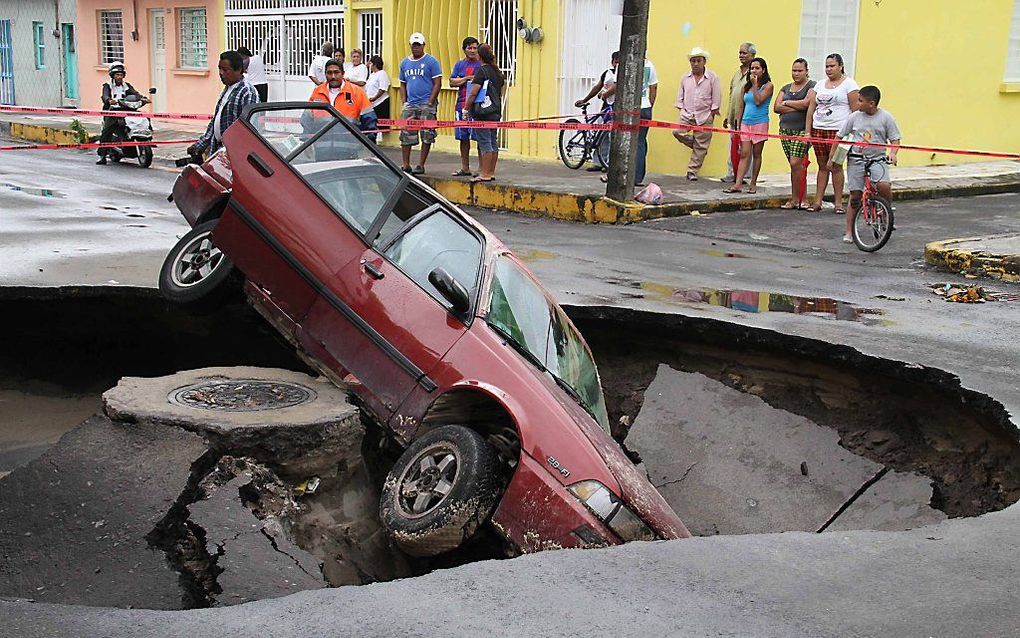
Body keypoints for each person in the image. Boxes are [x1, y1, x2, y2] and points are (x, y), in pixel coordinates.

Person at [832, 84, 900, 243]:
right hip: (857, 159)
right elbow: (839, 136)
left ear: (872, 103)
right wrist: (832, 159)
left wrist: (893, 153)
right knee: (855, 195)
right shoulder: (854, 117)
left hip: (877, 159)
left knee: (884, 185)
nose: (857, 103)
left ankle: (885, 212)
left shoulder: (886, 118)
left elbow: (895, 139)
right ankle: (849, 231)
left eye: (860, 100)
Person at [805, 52, 860, 214]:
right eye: (826, 66)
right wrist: (808, 131)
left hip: (838, 130)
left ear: (841, 66)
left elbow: (855, 109)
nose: (828, 69)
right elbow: (811, 108)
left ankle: (838, 203)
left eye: (832, 66)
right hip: (819, 128)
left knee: (835, 166)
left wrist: (851, 132)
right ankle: (817, 201)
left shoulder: (849, 84)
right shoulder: (820, 85)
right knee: (822, 165)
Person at [188, 51, 259, 158]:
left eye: (225, 70)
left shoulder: (247, 92)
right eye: (219, 69)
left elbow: (247, 129)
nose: (221, 73)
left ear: (239, 70)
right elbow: (216, 121)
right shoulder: (227, 89)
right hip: (218, 150)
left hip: (234, 154)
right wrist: (200, 145)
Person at [602, 56, 656, 186]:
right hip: (645, 107)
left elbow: (617, 86)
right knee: (640, 143)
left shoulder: (624, 64)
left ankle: (615, 174)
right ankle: (637, 178)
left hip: (626, 108)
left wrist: (604, 95)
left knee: (619, 140)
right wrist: (649, 105)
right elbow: (653, 88)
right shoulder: (650, 65)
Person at [723, 56, 773, 194]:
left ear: (763, 70)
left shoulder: (768, 86)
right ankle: (738, 183)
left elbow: (758, 101)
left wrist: (756, 85)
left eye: (757, 68)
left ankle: (753, 183)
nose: (754, 71)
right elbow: (741, 106)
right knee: (744, 153)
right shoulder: (746, 86)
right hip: (746, 123)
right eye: (752, 68)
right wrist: (738, 124)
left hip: (760, 123)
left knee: (757, 154)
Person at [671, 46, 721, 181]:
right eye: (693, 61)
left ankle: (692, 171)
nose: (696, 64)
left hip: (705, 115)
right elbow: (680, 97)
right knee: (677, 132)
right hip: (687, 114)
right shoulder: (685, 78)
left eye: (698, 60)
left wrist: (712, 113)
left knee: (702, 144)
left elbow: (716, 98)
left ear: (704, 61)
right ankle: (697, 146)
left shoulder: (713, 78)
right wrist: (681, 109)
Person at [774, 58, 816, 208]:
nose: (796, 73)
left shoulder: (812, 86)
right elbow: (776, 107)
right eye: (794, 70)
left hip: (802, 131)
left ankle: (802, 198)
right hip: (785, 129)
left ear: (806, 71)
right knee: (795, 166)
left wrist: (786, 103)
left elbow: (807, 104)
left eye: (800, 70)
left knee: (796, 163)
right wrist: (796, 106)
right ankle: (795, 198)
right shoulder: (786, 87)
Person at [398, 32, 442, 175]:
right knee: (406, 133)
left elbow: (437, 83)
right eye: (414, 45)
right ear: (410, 45)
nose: (416, 48)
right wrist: (404, 101)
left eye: (418, 45)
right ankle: (406, 164)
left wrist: (430, 101)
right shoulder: (404, 63)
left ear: (423, 45)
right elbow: (402, 84)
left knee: (427, 134)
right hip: (410, 103)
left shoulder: (431, 61)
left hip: (426, 103)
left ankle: (421, 164)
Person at [466, 44, 505, 183]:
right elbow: (500, 93)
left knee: (485, 143)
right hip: (495, 111)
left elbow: (473, 92)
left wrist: (466, 108)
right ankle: (491, 172)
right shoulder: (497, 72)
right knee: (493, 141)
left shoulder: (482, 71)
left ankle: (484, 173)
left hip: (483, 113)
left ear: (479, 56)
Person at [575, 51, 618, 172]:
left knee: (611, 135)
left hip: (616, 106)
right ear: (612, 62)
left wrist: (605, 94)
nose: (617, 64)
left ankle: (608, 163)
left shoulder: (624, 74)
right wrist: (585, 99)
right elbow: (597, 87)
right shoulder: (607, 73)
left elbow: (616, 87)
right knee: (601, 132)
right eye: (615, 61)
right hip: (606, 106)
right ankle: (598, 162)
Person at [96, 62, 146, 164]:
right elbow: (105, 95)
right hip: (112, 111)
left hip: (127, 109)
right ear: (112, 75)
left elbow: (135, 93)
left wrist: (143, 98)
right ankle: (102, 155)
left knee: (143, 119)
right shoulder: (107, 86)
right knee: (107, 130)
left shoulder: (126, 86)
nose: (119, 77)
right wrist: (109, 100)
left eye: (121, 75)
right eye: (117, 75)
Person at [449, 37, 482, 177]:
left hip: (479, 106)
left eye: (475, 48)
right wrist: (465, 79)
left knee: (481, 137)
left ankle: (482, 169)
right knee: (463, 137)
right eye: (470, 48)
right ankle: (465, 167)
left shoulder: (482, 65)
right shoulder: (459, 65)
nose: (472, 51)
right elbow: (451, 81)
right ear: (464, 49)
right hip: (461, 105)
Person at [723, 42, 755, 183]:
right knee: (733, 146)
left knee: (746, 148)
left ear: (752, 55)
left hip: (747, 117)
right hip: (734, 116)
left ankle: (745, 176)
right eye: (740, 53)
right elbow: (732, 95)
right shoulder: (737, 73)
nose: (741, 55)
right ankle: (731, 173)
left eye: (744, 53)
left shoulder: (754, 73)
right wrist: (727, 116)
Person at [365, 55, 391, 144]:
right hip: (371, 103)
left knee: (378, 123)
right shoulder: (372, 75)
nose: (369, 65)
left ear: (375, 64)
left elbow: (383, 89)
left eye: (370, 63)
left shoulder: (382, 73)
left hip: (380, 102)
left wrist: (375, 98)